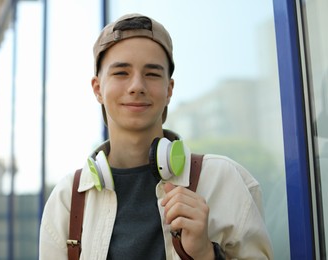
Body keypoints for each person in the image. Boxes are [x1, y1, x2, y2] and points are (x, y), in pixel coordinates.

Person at [39, 13, 273, 259]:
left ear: (169, 90)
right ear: (98, 89)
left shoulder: (223, 180)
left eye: (151, 74)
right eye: (121, 73)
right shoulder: (67, 199)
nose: (137, 86)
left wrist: (205, 253)